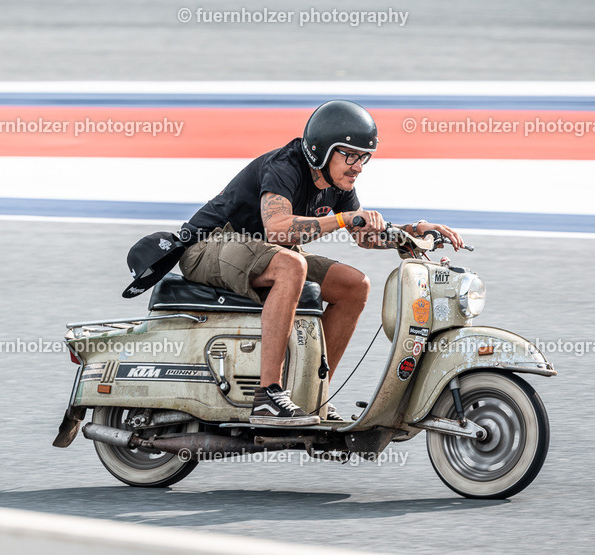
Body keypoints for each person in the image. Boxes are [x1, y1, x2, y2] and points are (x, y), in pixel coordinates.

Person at [177, 100, 464, 426]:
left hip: (261, 249)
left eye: (364, 157)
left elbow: (365, 236)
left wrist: (412, 232)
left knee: (354, 285)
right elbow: (278, 227)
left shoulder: (338, 184)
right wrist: (343, 219)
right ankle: (268, 397)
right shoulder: (285, 166)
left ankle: (311, 396)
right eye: (350, 155)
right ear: (322, 150)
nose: (358, 166)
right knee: (291, 266)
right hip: (207, 245)